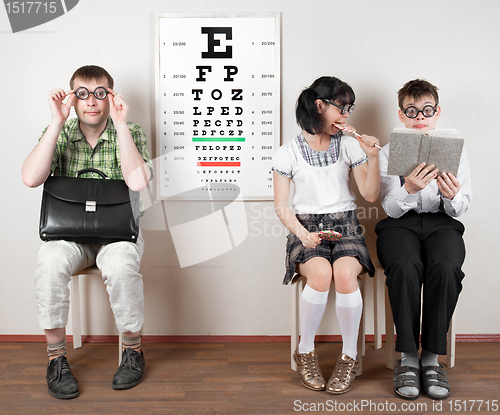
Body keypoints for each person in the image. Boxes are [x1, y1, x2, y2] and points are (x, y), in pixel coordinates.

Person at [22, 65, 153, 399]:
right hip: (69, 237)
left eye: (99, 93)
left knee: (122, 265)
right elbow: (31, 178)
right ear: (72, 98)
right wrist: (56, 122)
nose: (91, 101)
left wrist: (121, 125)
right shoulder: (61, 132)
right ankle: (56, 359)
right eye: (82, 93)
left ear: (111, 97)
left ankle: (133, 352)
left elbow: (137, 182)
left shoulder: (132, 130)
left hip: (118, 236)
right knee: (49, 262)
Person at [273, 76, 380, 394]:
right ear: (319, 106)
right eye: (341, 108)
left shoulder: (348, 145)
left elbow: (371, 195)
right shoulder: (287, 152)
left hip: (346, 225)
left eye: (349, 109)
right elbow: (281, 207)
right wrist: (302, 234)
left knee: (345, 274)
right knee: (320, 274)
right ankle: (305, 350)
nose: (346, 116)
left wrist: (372, 158)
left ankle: (348, 357)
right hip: (305, 228)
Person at [375, 79, 471, 400]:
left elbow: (462, 207)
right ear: (401, 115)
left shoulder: (456, 150)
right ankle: (407, 358)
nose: (420, 116)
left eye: (427, 110)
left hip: (441, 223)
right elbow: (388, 207)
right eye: (412, 110)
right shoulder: (388, 153)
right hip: (399, 225)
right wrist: (408, 189)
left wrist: (452, 196)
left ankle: (430, 358)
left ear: (437, 112)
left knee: (445, 266)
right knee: (404, 266)